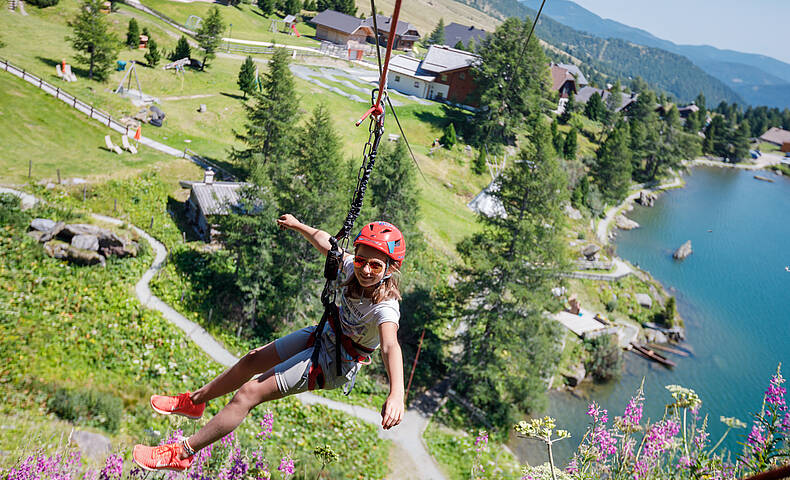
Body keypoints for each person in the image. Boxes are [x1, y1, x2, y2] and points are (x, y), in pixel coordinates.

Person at [132, 215, 406, 472]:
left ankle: (181, 454)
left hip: (334, 362)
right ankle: (194, 402)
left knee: (249, 393)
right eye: (360, 261)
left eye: (375, 265)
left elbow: (390, 346)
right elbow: (327, 243)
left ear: (391, 268)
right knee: (252, 359)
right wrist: (299, 226)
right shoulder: (351, 268)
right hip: (325, 334)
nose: (365, 270)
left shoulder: (385, 307)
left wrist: (396, 393)